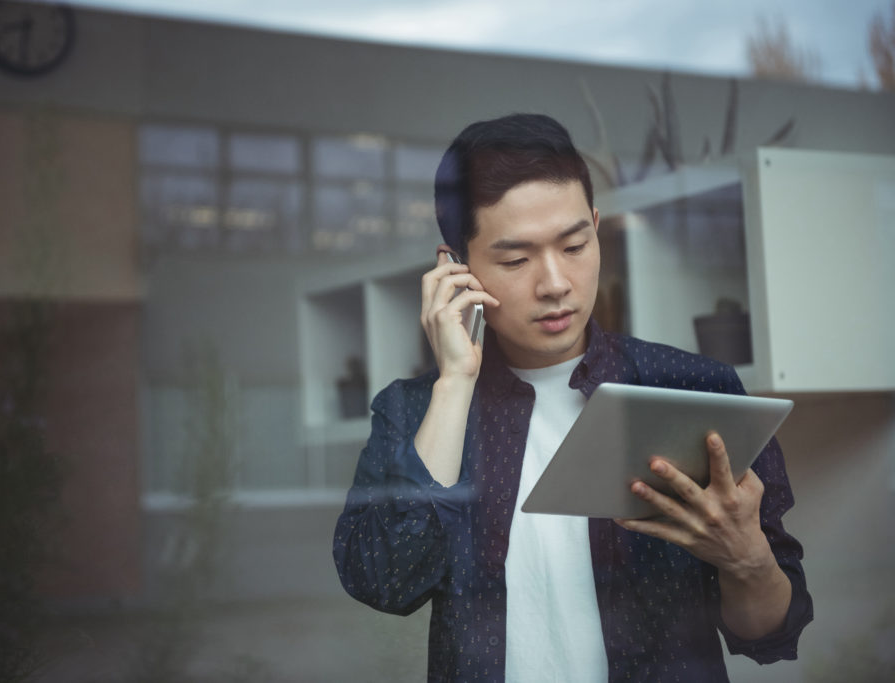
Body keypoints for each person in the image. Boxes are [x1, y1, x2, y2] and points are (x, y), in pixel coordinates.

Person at [332, 113, 812, 682]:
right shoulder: (415, 410)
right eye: (516, 259)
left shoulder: (691, 389)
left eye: (576, 244)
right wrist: (455, 383)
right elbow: (386, 582)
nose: (555, 282)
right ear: (456, 266)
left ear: (597, 228)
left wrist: (746, 559)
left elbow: (770, 633)